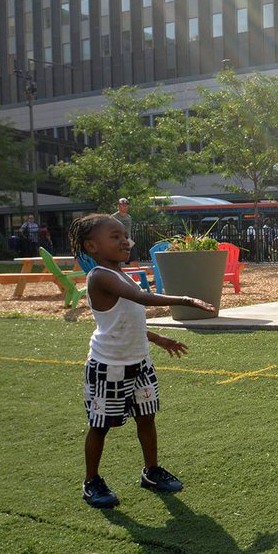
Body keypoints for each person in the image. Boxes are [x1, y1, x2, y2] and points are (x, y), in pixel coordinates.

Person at [68, 214, 215, 509]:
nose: (125, 241)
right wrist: (186, 300)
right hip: (109, 367)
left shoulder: (121, 274)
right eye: (115, 237)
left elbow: (124, 319)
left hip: (140, 363)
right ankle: (91, 481)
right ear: (92, 246)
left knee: (147, 417)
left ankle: (151, 472)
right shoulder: (100, 276)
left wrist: (157, 339)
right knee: (100, 425)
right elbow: (140, 298)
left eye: (125, 235)